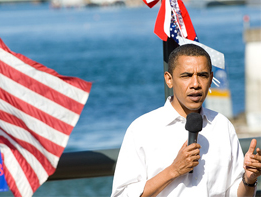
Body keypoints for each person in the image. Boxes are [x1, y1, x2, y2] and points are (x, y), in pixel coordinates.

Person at [111, 44, 261, 197]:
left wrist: (248, 179)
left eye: (202, 75)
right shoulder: (142, 130)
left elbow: (237, 193)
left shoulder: (222, 126)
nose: (195, 84)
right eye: (186, 76)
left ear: (210, 80)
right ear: (169, 79)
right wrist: (173, 170)